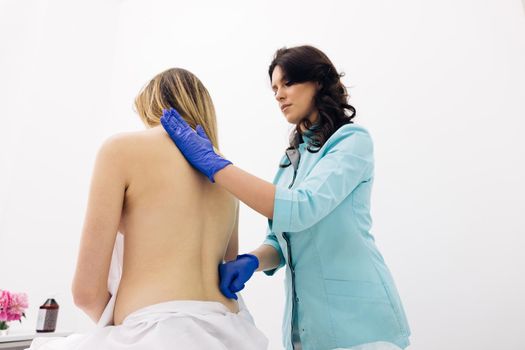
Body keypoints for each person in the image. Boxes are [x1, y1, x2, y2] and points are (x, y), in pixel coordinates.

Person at [160, 46, 411, 350]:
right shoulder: (291, 160)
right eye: (275, 88)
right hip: (306, 333)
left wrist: (215, 165)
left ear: (318, 82)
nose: (278, 95)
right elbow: (281, 240)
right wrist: (253, 260)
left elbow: (301, 209)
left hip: (362, 327)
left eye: (288, 83)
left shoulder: (352, 143)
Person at [28, 68, 268, 350]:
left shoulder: (121, 150)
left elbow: (85, 293)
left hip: (153, 335)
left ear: (151, 106)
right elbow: (226, 271)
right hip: (233, 333)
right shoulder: (225, 172)